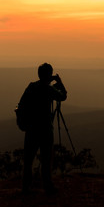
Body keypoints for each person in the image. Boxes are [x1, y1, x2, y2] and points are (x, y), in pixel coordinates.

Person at [19, 63, 67, 194]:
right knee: (46, 159)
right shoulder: (48, 89)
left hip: (31, 128)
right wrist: (60, 83)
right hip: (45, 129)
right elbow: (63, 96)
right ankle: (48, 186)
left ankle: (25, 188)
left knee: (28, 160)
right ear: (49, 74)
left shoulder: (31, 87)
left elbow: (21, 103)